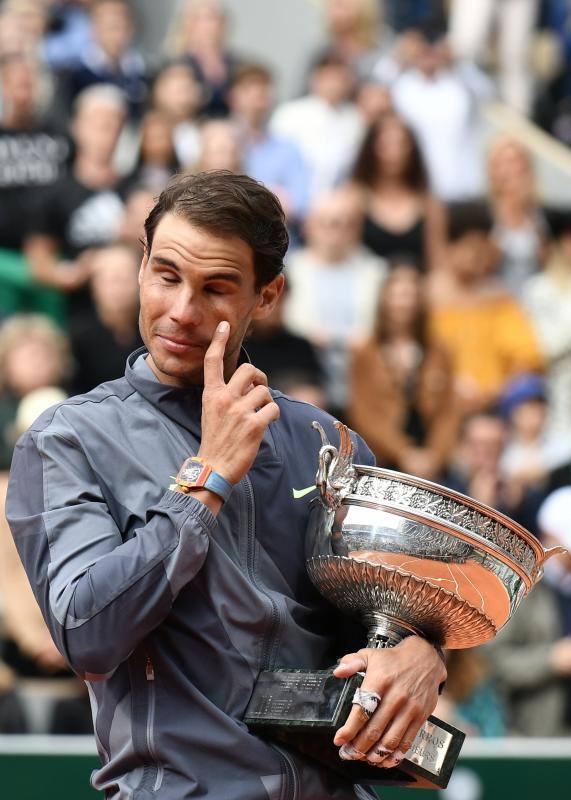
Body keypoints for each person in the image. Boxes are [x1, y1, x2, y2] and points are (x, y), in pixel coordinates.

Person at [7, 170, 446, 799]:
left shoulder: (330, 442)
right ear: (140, 269)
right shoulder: (66, 440)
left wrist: (421, 656)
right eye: (166, 276)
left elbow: (381, 630)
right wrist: (207, 479)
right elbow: (87, 635)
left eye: (216, 288)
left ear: (266, 298)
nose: (182, 311)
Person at [24, 83, 127, 318]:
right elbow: (38, 259)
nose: (106, 129)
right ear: (77, 127)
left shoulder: (136, 187)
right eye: (97, 121)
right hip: (80, 311)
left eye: (114, 122)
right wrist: (68, 273)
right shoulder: (55, 192)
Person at [429, 204, 544, 414]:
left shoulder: (499, 298)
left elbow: (526, 356)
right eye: (471, 248)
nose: (478, 257)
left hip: (495, 407)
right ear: (450, 247)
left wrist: (497, 391)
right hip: (439, 409)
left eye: (484, 249)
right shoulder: (425, 298)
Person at [284, 185, 387, 414]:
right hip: (305, 374)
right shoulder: (289, 270)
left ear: (357, 228)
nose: (335, 231)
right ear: (308, 225)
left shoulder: (377, 272)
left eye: (344, 223)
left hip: (364, 377)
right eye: (327, 222)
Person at [349, 265, 458, 480]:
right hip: (383, 460)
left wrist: (435, 456)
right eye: (399, 295)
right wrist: (403, 453)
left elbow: (449, 412)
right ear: (385, 299)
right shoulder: (365, 352)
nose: (405, 303)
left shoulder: (439, 351)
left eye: (411, 295)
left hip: (433, 460)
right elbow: (363, 414)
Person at [352, 112, 447, 270]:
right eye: (386, 144)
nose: (395, 153)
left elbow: (438, 265)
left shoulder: (429, 205)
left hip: (417, 290)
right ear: (371, 148)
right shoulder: (354, 200)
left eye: (402, 144)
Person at [270, 53, 365, 201]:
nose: (334, 85)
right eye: (329, 78)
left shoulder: (355, 119)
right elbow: (276, 163)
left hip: (337, 203)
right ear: (314, 79)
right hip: (292, 202)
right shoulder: (289, 114)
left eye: (340, 78)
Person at [227, 62, 309, 227]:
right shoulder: (218, 140)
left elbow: (299, 205)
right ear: (232, 96)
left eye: (264, 86)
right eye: (249, 87)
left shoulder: (288, 148)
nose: (258, 93)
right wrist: (271, 195)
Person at [488, 137, 548, 297]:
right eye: (501, 163)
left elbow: (549, 263)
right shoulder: (483, 215)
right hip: (498, 299)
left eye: (514, 161)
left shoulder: (542, 214)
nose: (509, 170)